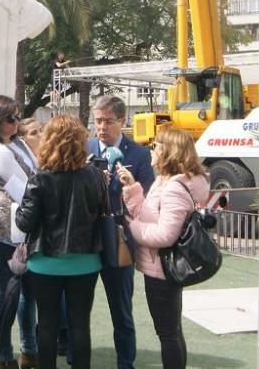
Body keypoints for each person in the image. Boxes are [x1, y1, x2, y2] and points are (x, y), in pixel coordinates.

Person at [15, 115, 105, 369]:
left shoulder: (40, 178)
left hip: (46, 261)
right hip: (86, 260)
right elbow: (101, 213)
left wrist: (16, 208)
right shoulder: (94, 176)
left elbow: (24, 222)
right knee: (80, 324)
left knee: (46, 324)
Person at [118, 129, 208, 369]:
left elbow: (165, 235)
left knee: (168, 333)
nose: (152, 149)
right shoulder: (165, 181)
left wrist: (131, 228)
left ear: (169, 152)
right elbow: (149, 215)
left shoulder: (174, 189)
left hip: (162, 269)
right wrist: (132, 187)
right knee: (172, 331)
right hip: (159, 266)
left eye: (156, 145)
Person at [86, 95, 153, 369]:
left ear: (122, 121)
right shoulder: (85, 148)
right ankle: (73, 356)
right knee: (78, 307)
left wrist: (129, 184)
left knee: (121, 309)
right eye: (97, 121)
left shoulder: (138, 154)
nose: (101, 127)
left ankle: (126, 362)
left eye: (108, 122)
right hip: (88, 239)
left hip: (120, 239)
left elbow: (147, 197)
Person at [0, 95, 39, 369]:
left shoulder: (18, 144)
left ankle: (29, 349)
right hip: (7, 230)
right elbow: (27, 187)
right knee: (9, 292)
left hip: (25, 228)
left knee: (28, 292)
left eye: (17, 116)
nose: (16, 122)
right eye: (10, 118)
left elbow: (35, 177)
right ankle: (4, 352)